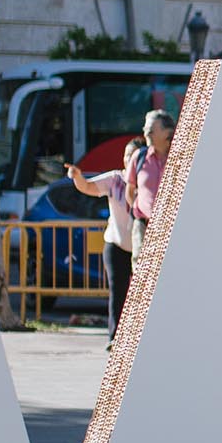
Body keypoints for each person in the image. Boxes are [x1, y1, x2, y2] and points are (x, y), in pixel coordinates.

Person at [65, 146, 140, 343]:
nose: (130, 160)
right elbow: (88, 186)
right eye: (127, 156)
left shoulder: (151, 179)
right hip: (116, 243)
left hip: (141, 247)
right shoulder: (115, 179)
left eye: (134, 156)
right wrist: (77, 176)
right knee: (118, 291)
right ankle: (115, 338)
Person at [124, 111, 175, 255]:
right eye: (145, 129)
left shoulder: (182, 159)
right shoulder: (139, 157)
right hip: (143, 227)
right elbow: (129, 190)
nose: (146, 133)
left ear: (167, 132)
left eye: (151, 130)